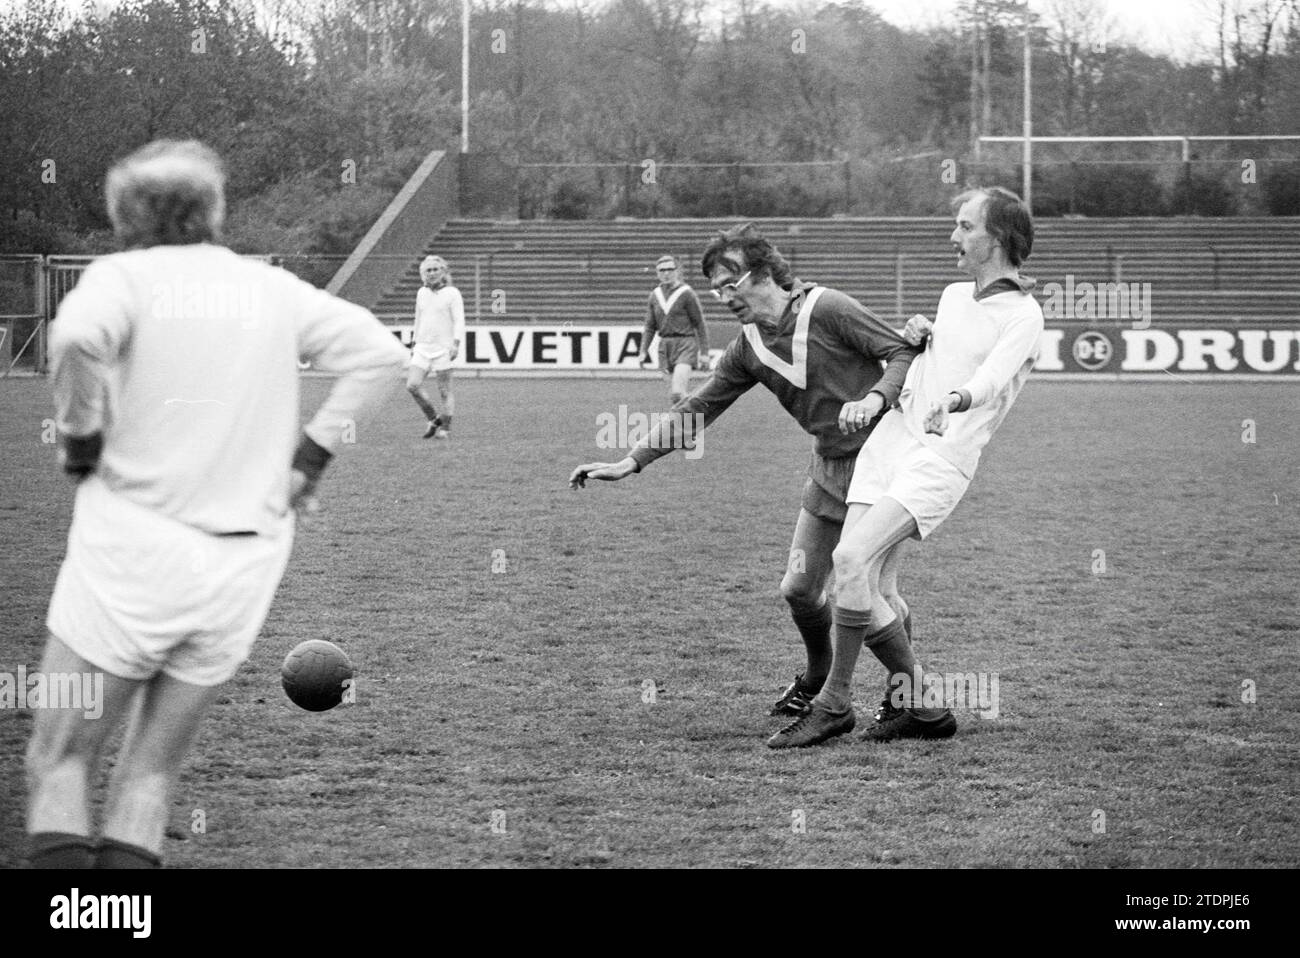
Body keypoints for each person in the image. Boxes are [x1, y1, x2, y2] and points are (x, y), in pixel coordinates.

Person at [24, 139, 409, 868]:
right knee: (149, 774)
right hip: (242, 565)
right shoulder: (266, 286)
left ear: (124, 217)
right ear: (213, 213)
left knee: (62, 759)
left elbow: (74, 337)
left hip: (133, 553)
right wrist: (311, 458)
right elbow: (384, 354)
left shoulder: (125, 278)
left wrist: (79, 440)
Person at [570, 224, 919, 725]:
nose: (722, 296)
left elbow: (902, 352)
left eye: (730, 283)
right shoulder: (748, 346)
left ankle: (904, 699)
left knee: (870, 591)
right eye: (715, 287)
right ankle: (819, 677)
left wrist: (873, 398)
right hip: (828, 467)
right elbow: (700, 406)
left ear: (764, 274)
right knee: (799, 588)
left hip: (883, 463)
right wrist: (632, 460)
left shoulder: (829, 308)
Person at [766, 186, 1044, 749]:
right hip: (891, 441)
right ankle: (919, 709)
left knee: (848, 559)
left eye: (965, 227)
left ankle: (834, 704)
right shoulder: (951, 296)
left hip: (941, 457)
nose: (954, 237)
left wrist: (957, 400)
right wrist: (919, 340)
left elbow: (990, 380)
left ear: (999, 237)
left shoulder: (1025, 316)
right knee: (873, 586)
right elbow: (934, 359)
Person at [406, 254, 464, 439]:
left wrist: (456, 343)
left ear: (443, 271)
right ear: (423, 273)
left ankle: (445, 430)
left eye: (435, 269)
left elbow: (459, 320)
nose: (431, 273)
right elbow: (418, 319)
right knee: (412, 385)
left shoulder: (452, 293)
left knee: (444, 391)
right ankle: (433, 418)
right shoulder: (421, 293)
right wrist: (414, 343)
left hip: (443, 348)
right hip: (422, 347)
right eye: (428, 270)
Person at [639, 255, 709, 404]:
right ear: (657, 273)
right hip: (665, 346)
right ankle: (688, 421)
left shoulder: (687, 294)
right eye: (662, 270)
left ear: (677, 271)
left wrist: (704, 353)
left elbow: (699, 324)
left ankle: (693, 419)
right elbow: (650, 326)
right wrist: (643, 350)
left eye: (670, 269)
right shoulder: (654, 296)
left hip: (686, 343)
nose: (666, 273)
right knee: (675, 397)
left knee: (678, 392)